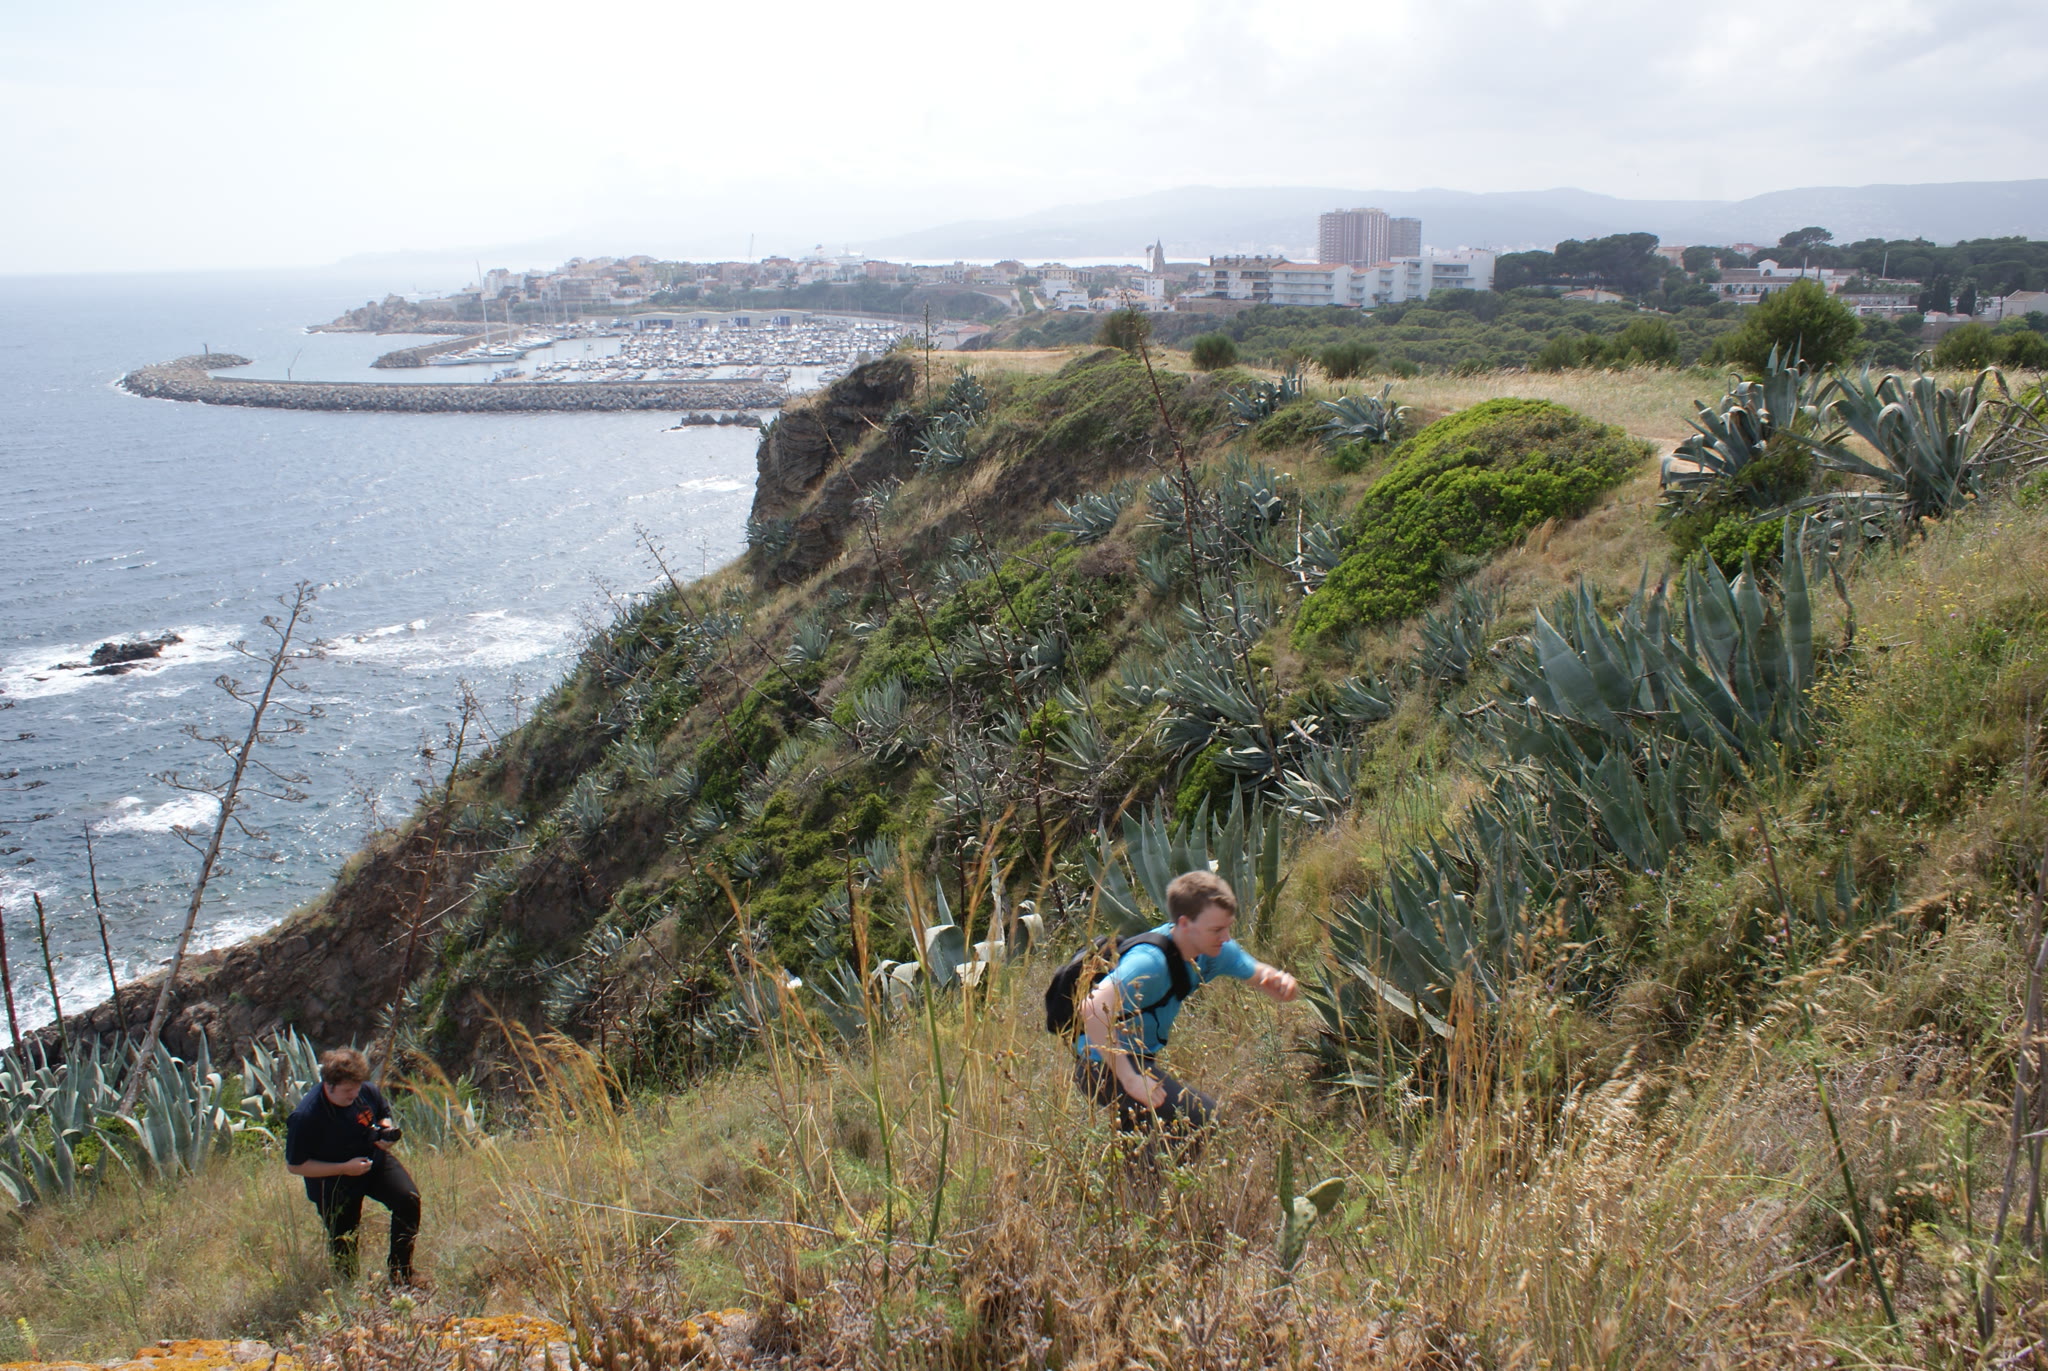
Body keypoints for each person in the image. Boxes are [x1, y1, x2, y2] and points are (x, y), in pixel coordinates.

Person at [1074, 870, 1299, 1151]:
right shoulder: (1149, 962)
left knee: (1148, 1151)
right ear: (1184, 923)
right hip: (1101, 1066)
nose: (1226, 937)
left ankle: (1143, 1178)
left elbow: (1256, 972)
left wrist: (1278, 982)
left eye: (1228, 927)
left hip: (1138, 1060)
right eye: (1217, 930)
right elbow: (1092, 1008)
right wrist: (1130, 1080)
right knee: (1202, 1120)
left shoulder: (1216, 948)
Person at [284, 1047, 421, 1286]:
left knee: (408, 1200)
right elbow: (296, 1165)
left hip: (372, 1161)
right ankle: (348, 1292)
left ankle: (401, 1274)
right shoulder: (306, 1116)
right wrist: (344, 1168)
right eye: (348, 1090)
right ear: (329, 1085)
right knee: (345, 1239)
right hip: (333, 1182)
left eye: (357, 1087)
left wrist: (384, 1131)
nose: (354, 1094)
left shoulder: (364, 1090)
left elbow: (382, 1112)